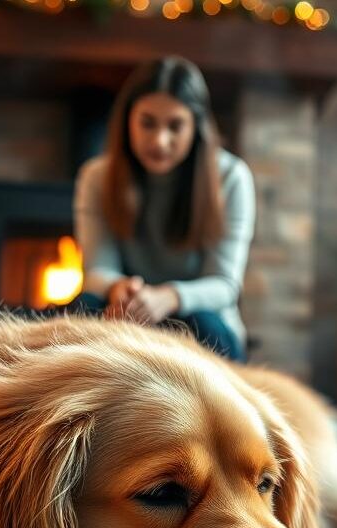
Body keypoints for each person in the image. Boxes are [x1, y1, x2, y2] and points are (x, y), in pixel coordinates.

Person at [72, 56, 255, 362]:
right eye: (147, 123)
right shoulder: (96, 176)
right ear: (127, 119)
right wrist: (119, 288)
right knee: (81, 309)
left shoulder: (232, 177)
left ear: (196, 126)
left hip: (198, 319)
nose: (159, 140)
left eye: (175, 126)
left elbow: (224, 285)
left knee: (207, 324)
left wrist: (169, 298)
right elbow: (96, 271)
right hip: (127, 312)